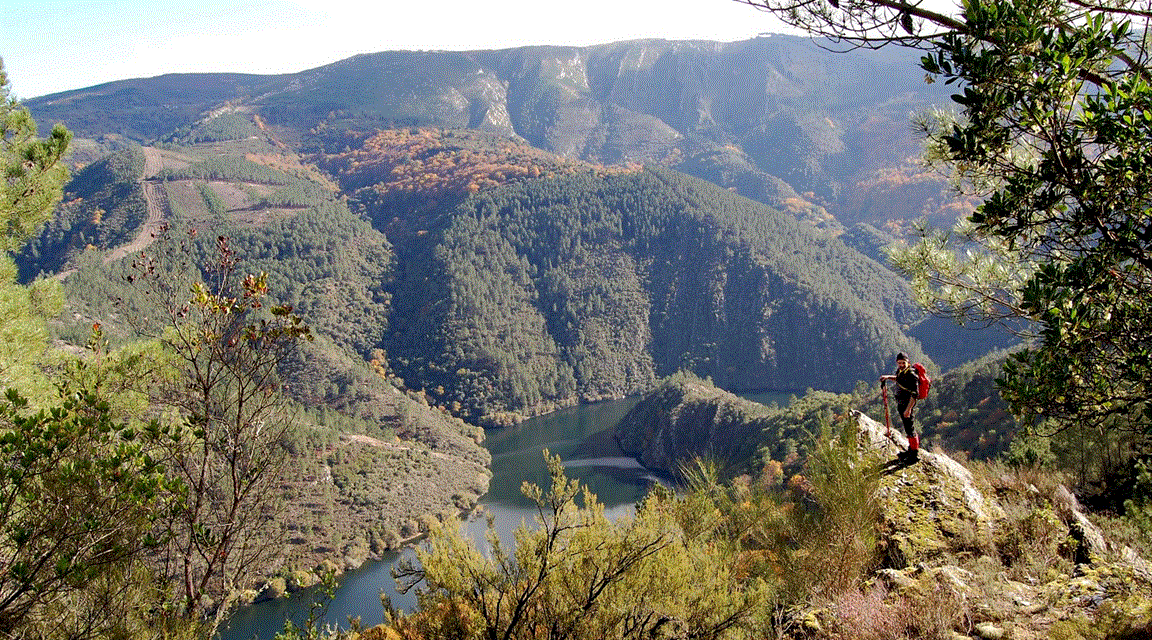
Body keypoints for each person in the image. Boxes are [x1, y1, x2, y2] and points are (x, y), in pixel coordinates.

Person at [881, 352, 920, 462]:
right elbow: (899, 379)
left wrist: (908, 409)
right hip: (902, 404)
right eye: (899, 363)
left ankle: (914, 455)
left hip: (907, 405)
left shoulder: (912, 374)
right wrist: (888, 377)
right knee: (907, 428)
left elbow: (915, 394)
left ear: (908, 362)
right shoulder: (901, 371)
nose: (901, 365)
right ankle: (910, 450)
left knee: (910, 428)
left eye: (903, 363)